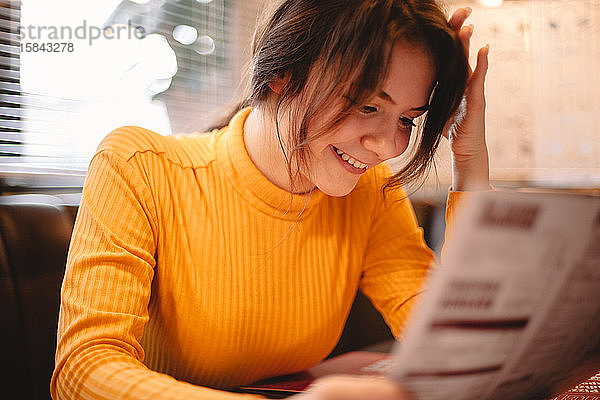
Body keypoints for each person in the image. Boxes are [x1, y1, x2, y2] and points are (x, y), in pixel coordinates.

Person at [50, 0, 490, 399]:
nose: (388, 146)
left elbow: (457, 351)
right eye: (368, 107)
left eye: (409, 119)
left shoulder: (370, 191)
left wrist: (470, 159)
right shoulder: (139, 166)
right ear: (283, 73)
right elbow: (84, 371)